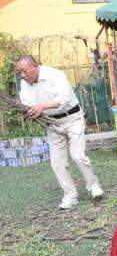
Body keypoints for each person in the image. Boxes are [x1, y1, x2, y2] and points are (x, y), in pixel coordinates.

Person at [16, 55, 103, 209]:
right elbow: (28, 104)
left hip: (72, 118)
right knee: (57, 162)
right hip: (51, 123)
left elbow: (63, 99)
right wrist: (29, 112)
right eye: (19, 72)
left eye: (24, 71)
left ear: (35, 66)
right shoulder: (25, 84)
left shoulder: (55, 75)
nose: (22, 75)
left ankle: (94, 186)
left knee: (78, 155)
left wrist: (42, 107)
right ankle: (70, 196)